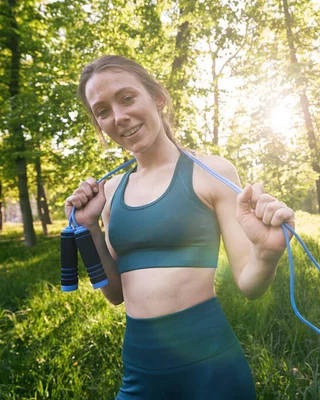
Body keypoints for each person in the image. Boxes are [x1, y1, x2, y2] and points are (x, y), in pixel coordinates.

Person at [65, 55, 295, 399]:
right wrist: (90, 229)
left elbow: (249, 286)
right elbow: (115, 294)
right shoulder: (111, 192)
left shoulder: (211, 172)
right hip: (140, 373)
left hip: (212, 372)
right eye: (102, 111)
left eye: (127, 98)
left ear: (158, 98)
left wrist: (267, 252)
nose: (119, 117)